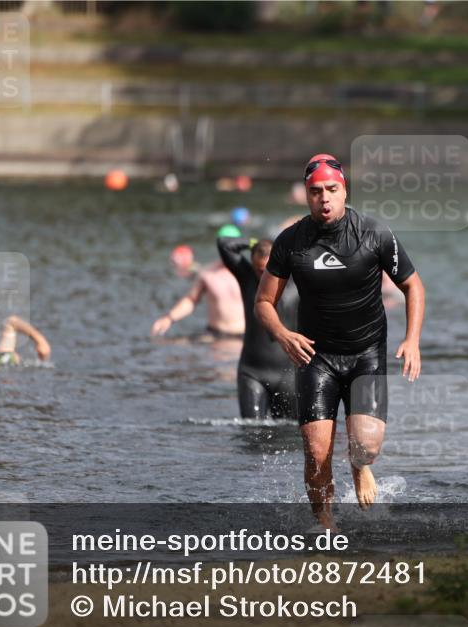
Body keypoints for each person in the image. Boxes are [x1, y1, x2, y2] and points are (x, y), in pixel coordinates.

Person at [255, 153, 425, 529]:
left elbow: (413, 286)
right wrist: (282, 333)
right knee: (317, 455)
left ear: (345, 190)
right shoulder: (291, 242)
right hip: (316, 359)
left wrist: (412, 339)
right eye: (316, 192)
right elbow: (264, 302)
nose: (324, 199)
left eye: (332, 189)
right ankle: (326, 526)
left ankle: (360, 465)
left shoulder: (374, 233)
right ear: (306, 195)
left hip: (366, 354)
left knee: (366, 446)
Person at [218, 234, 300, 420]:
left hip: (289, 376)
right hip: (252, 373)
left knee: (288, 436)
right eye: (258, 270)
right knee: (251, 434)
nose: (261, 275)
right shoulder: (248, 278)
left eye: (266, 270)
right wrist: (256, 242)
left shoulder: (296, 282)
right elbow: (225, 244)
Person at [151, 228, 245, 338]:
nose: (228, 249)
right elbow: (191, 300)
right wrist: (169, 318)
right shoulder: (208, 274)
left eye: (232, 245)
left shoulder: (250, 271)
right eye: (224, 245)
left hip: (244, 336)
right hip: (215, 335)